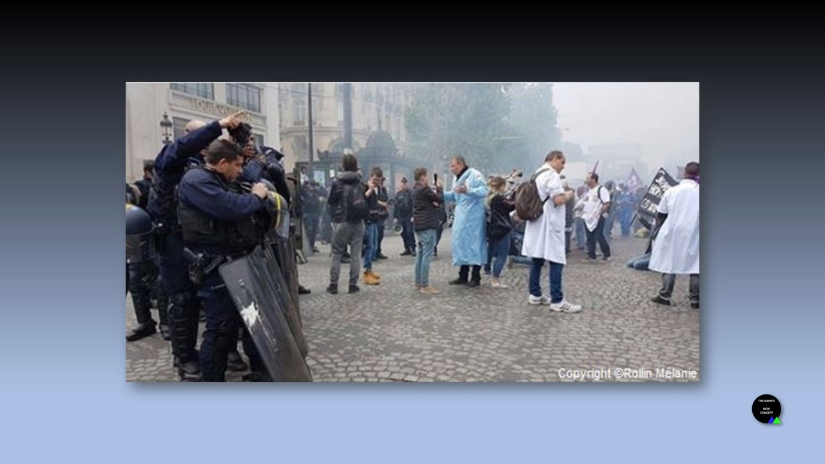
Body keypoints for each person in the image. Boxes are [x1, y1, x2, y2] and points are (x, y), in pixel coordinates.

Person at [148, 111, 245, 380]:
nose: (206, 142)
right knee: (183, 300)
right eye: (200, 136)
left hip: (205, 242)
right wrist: (217, 126)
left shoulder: (205, 167)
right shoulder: (171, 160)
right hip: (174, 242)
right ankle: (185, 357)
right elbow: (181, 149)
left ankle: (226, 352)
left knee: (219, 302)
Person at [177, 139, 270, 381]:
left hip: (238, 263)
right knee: (220, 331)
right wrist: (257, 197)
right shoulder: (196, 181)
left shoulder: (221, 179)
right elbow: (230, 207)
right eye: (237, 165)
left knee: (252, 321)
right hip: (215, 268)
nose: (240, 170)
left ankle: (260, 372)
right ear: (222, 163)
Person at [521, 151, 582, 312]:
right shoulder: (551, 175)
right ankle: (558, 300)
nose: (563, 167)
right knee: (556, 259)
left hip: (537, 222)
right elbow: (558, 199)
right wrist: (569, 193)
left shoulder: (536, 174)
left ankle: (535, 293)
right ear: (554, 159)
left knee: (537, 258)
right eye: (562, 162)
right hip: (549, 223)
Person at [649, 162, 700, 309]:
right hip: (696, 231)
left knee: (669, 262)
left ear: (685, 173)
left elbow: (661, 214)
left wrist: (658, 230)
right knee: (696, 265)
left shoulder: (672, 191)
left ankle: (665, 295)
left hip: (672, 231)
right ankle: (696, 299)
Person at [443, 156, 488, 287]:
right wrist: (440, 194)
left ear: (461, 164)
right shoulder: (456, 179)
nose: (451, 169)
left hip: (474, 216)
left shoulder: (475, 174)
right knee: (461, 243)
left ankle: (475, 276)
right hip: (461, 215)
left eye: (453, 166)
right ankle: (462, 275)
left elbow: (484, 190)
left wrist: (468, 190)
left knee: (474, 245)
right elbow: (454, 195)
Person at [326, 153, 367, 294]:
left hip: (342, 221)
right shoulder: (360, 181)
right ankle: (352, 285)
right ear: (356, 166)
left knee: (337, 253)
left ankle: (333, 285)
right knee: (356, 254)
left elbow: (331, 201)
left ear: (343, 165)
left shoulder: (337, 182)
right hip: (358, 221)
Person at [412, 167, 443, 294]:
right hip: (428, 225)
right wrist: (439, 188)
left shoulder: (415, 189)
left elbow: (431, 202)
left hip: (419, 226)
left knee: (420, 254)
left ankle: (418, 282)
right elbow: (439, 199)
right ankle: (425, 285)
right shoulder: (424, 189)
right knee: (426, 256)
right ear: (423, 177)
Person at [484, 176, 515, 288]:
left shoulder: (489, 197)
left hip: (493, 228)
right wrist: (515, 195)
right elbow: (512, 205)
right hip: (503, 228)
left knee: (491, 250)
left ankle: (487, 269)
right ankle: (495, 279)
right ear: (501, 186)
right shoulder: (499, 199)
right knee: (502, 255)